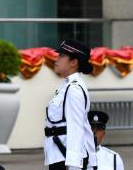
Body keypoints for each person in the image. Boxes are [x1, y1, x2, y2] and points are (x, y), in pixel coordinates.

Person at [44, 39, 97, 170]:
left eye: (61, 56)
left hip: (66, 160)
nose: (56, 59)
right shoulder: (66, 86)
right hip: (59, 156)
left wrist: (73, 165)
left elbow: (76, 128)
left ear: (74, 62)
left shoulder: (74, 89)